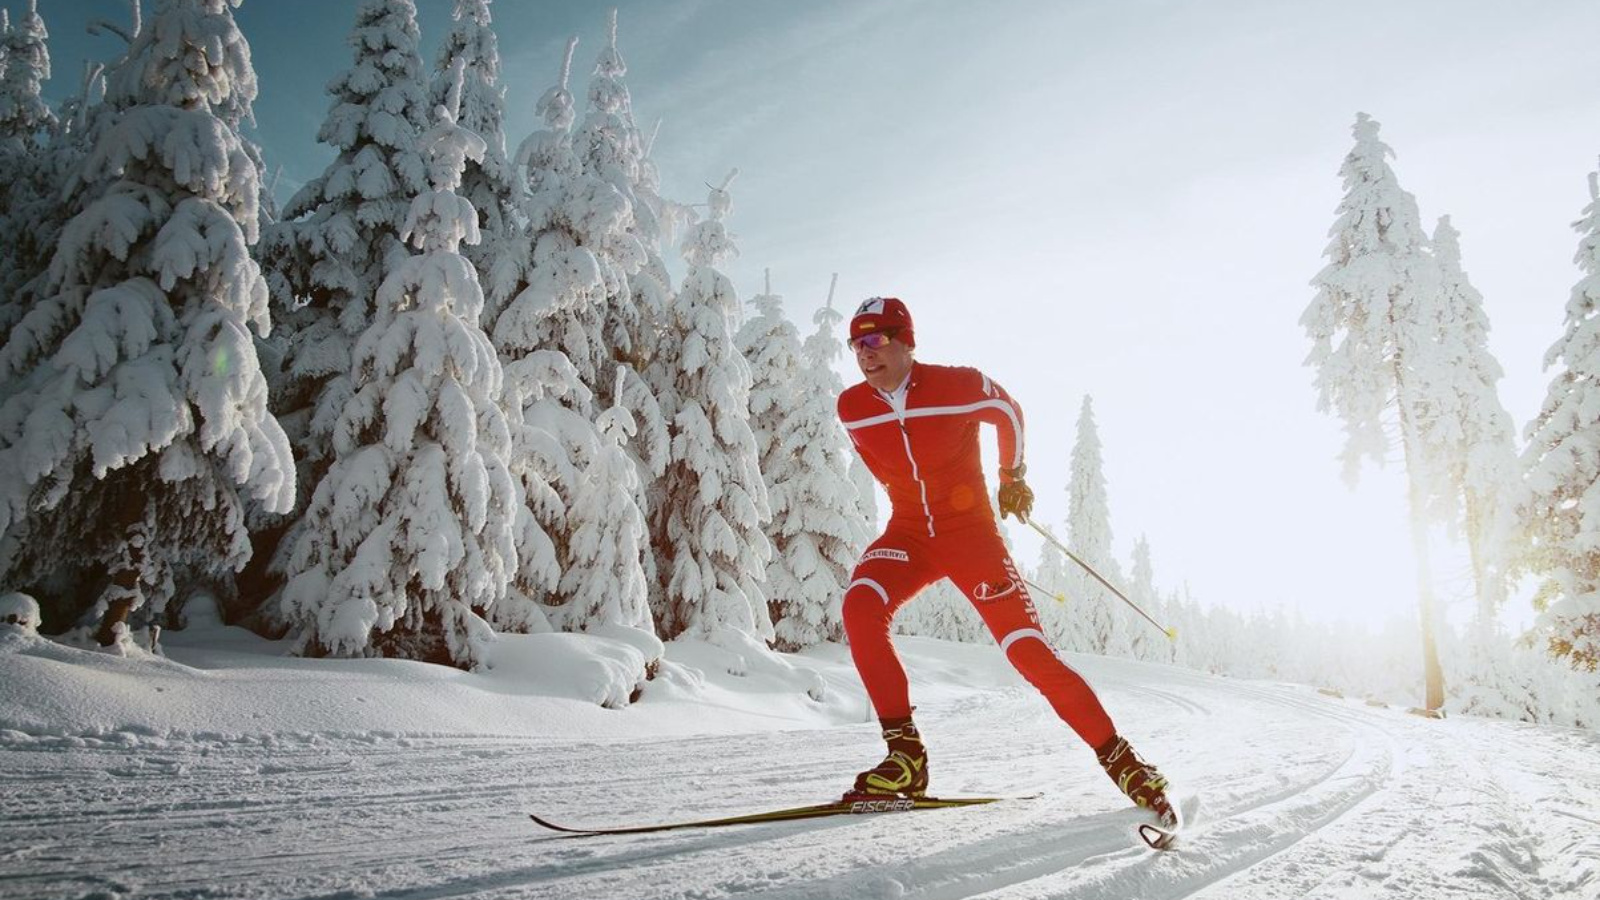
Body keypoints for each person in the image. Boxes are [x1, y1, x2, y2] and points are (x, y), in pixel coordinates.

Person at [835, 296, 1176, 827]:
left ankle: (1126, 764)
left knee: (1028, 652)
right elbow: (881, 464)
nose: (865, 352)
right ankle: (906, 758)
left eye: (876, 339)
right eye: (856, 343)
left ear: (906, 340)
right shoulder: (852, 406)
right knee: (860, 606)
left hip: (970, 537)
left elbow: (1007, 411)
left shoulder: (957, 384)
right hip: (908, 534)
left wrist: (1011, 477)